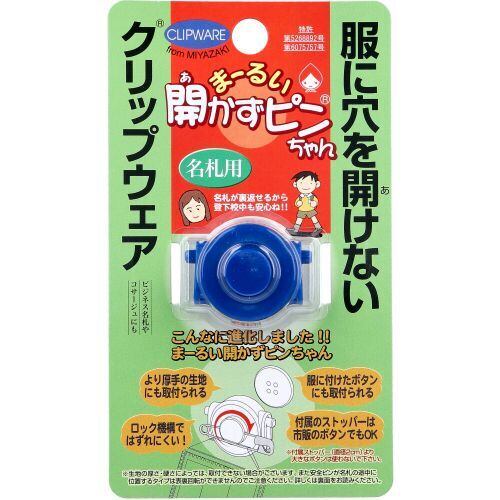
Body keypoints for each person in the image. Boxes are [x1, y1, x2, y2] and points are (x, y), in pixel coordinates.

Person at [288, 171, 323, 237]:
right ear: (295, 184)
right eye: (301, 183)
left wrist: (313, 203)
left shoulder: (312, 196)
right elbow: (297, 203)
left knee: (313, 218)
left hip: (310, 209)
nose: (305, 186)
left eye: (310, 183)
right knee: (299, 219)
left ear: (316, 184)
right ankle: (295, 229)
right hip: (302, 210)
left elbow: (315, 202)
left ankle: (318, 228)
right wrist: (298, 203)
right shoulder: (300, 197)